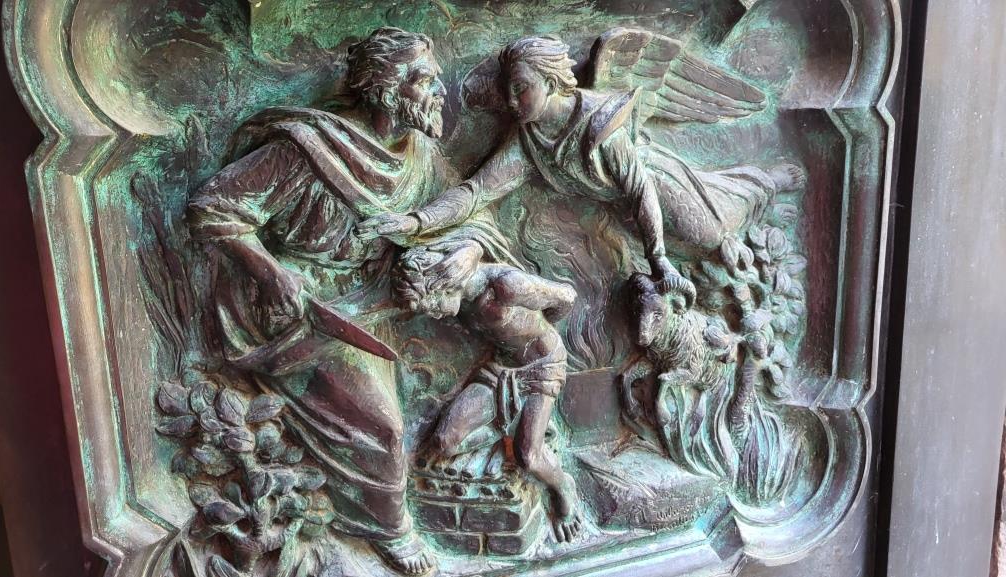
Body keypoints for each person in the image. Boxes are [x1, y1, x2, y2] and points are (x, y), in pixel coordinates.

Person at [186, 27, 511, 576]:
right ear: (388, 89)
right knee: (384, 428)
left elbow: (470, 212)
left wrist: (469, 249)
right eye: (426, 82)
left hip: (371, 299)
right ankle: (389, 530)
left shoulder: (417, 152)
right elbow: (211, 207)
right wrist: (271, 273)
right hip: (298, 309)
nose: (440, 93)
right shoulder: (307, 148)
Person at [358, 36, 805, 289]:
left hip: (657, 185)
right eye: (509, 89)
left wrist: (660, 259)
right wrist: (415, 221)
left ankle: (765, 180)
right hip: (619, 211)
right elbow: (476, 192)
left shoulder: (601, 125)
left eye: (522, 88)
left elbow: (641, 189)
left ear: (552, 82)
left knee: (711, 230)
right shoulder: (527, 140)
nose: (512, 100)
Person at [392, 246, 584, 544]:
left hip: (541, 368)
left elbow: (566, 298)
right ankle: (511, 422)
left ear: (446, 283)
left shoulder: (507, 287)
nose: (434, 313)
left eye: (433, 304)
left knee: (529, 456)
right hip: (500, 369)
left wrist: (539, 337)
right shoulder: (463, 298)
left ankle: (563, 486)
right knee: (445, 441)